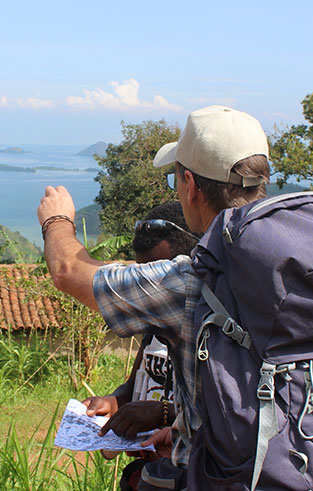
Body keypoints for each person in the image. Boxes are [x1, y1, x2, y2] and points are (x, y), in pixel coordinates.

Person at [38, 105, 270, 489]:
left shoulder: (194, 280)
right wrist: (181, 425)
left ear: (192, 186)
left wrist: (56, 219)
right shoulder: (301, 268)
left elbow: (67, 271)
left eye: (174, 181)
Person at [81, 201, 199, 490]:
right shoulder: (151, 326)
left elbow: (214, 409)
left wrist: (161, 413)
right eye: (140, 272)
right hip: (150, 471)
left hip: (191, 470)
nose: (146, 288)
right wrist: (112, 401)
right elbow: (133, 384)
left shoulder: (204, 325)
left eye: (156, 276)